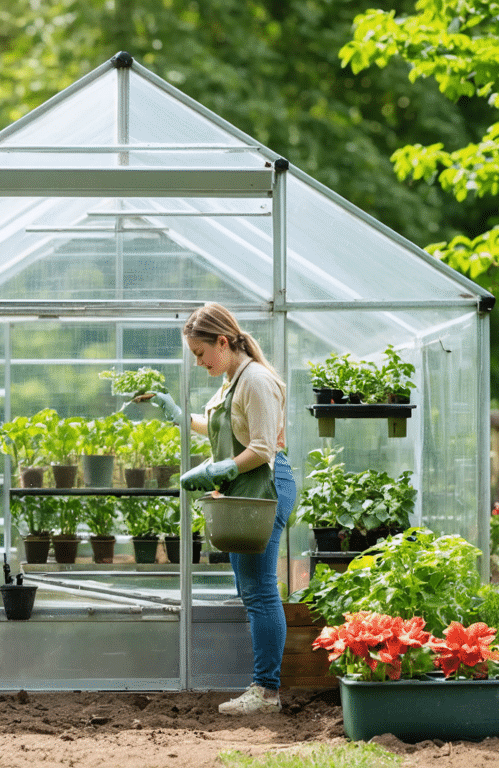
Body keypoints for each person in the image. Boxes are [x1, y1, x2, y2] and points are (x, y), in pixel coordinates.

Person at [137, 302, 295, 715]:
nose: (199, 361)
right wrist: (179, 415)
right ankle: (265, 688)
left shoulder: (256, 380)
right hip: (247, 488)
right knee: (251, 589)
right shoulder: (232, 381)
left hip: (266, 486)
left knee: (260, 591)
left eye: (201, 353)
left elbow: (261, 447)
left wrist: (218, 468)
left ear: (222, 342)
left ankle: (267, 692)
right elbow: (228, 426)